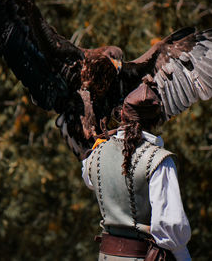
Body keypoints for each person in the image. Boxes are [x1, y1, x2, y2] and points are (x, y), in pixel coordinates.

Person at [81, 83, 191, 261]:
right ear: (157, 120)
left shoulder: (96, 155)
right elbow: (171, 228)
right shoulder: (160, 161)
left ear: (122, 114)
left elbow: (88, 178)